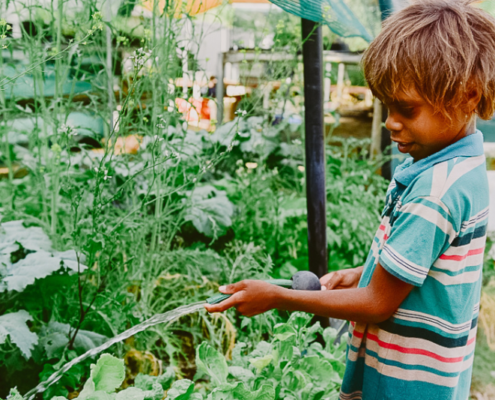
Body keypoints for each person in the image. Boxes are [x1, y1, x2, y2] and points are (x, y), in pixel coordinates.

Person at [205, 1, 495, 398]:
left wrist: (277, 297)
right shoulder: (462, 167)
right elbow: (430, 265)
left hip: (405, 383)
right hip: (433, 376)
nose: (392, 121)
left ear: (466, 96)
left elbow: (378, 304)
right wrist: (366, 272)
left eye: (406, 109)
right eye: (387, 106)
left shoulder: (437, 189)